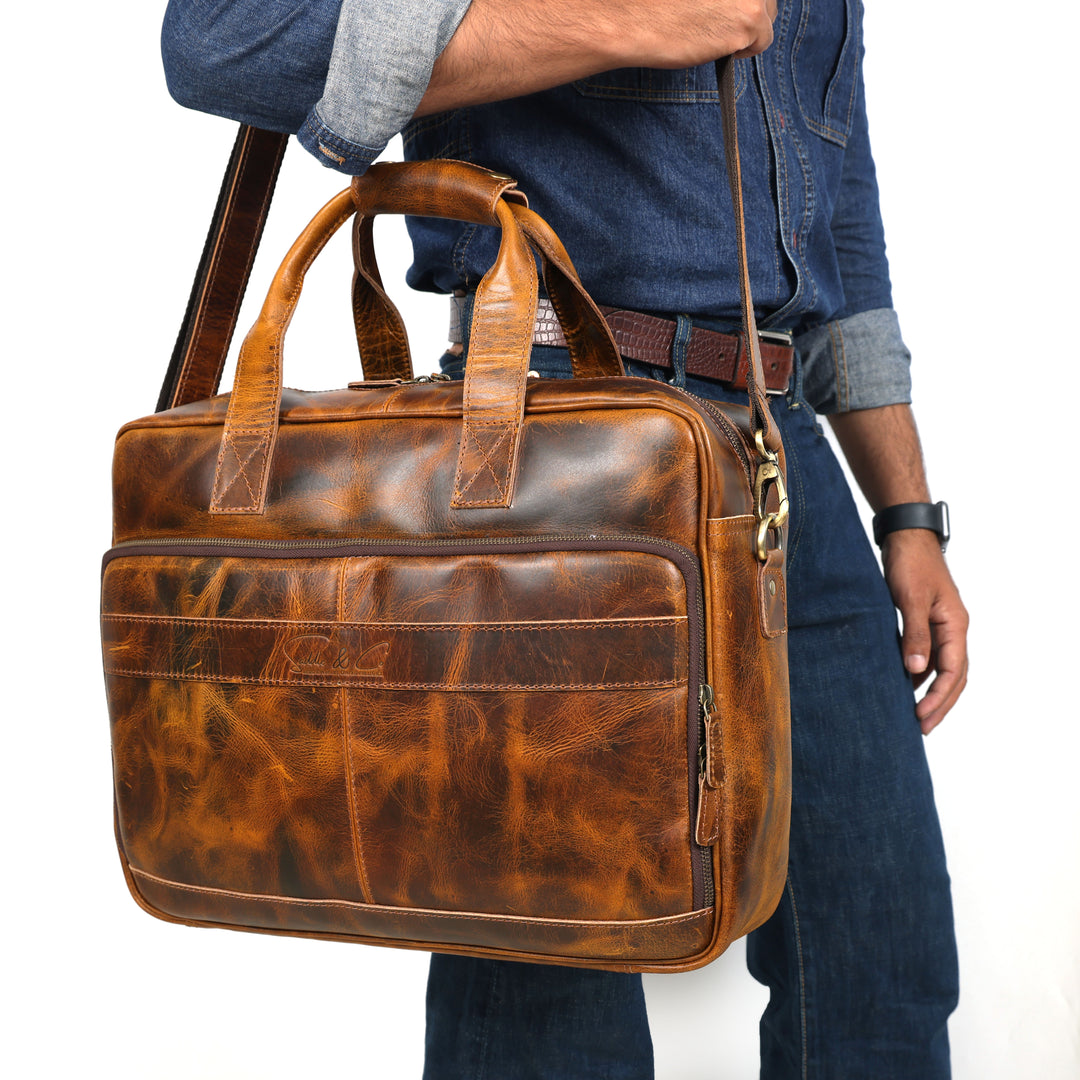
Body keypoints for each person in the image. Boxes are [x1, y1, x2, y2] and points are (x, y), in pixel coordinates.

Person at [161, 1, 969, 1075]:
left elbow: (842, 240)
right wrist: (629, 21)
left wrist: (908, 517)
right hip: (550, 434)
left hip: (778, 456)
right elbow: (222, 42)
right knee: (545, 986)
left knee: (882, 953)